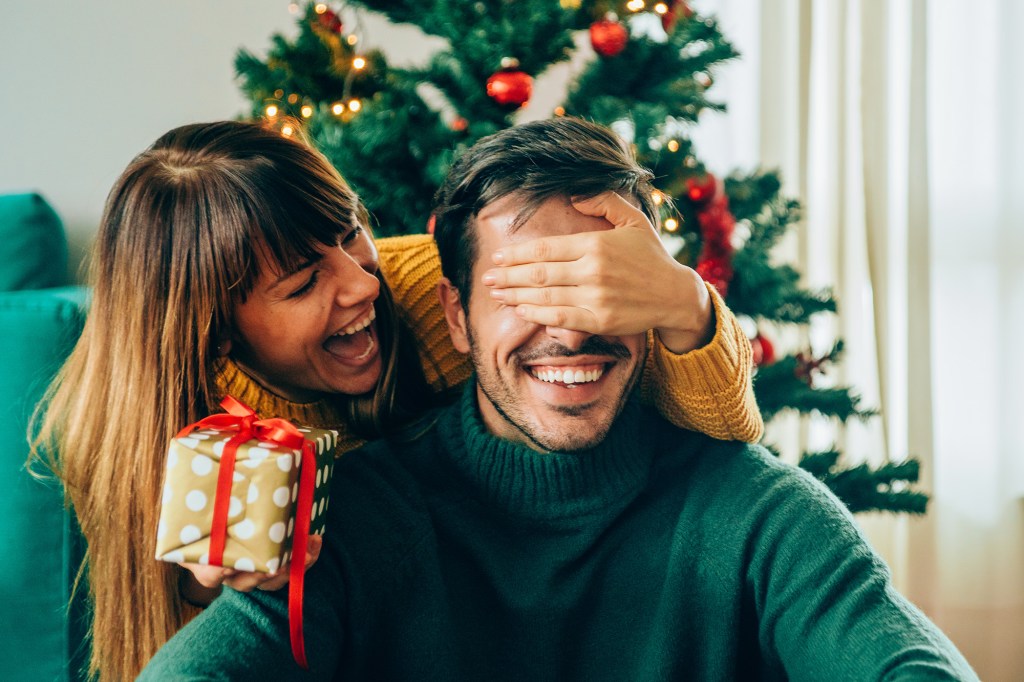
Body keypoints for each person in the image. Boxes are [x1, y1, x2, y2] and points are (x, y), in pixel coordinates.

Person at [139, 117, 976, 680]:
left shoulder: (757, 515)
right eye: (524, 290)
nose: (568, 332)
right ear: (456, 317)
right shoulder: (348, 521)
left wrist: (687, 304)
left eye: (596, 288)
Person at [31, 120, 763, 681]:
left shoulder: (440, 294)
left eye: (351, 235)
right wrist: (202, 591)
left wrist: (684, 299)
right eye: (301, 284)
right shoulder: (164, 443)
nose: (360, 286)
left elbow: (723, 431)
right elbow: (176, 651)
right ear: (218, 337)